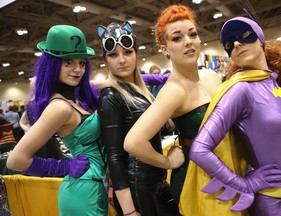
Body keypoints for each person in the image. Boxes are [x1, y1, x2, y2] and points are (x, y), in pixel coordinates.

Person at [187, 16, 281, 216]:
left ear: (260, 38)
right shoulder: (240, 90)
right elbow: (199, 149)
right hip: (273, 201)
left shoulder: (277, 85)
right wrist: (245, 183)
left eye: (244, 34)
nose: (236, 43)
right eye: (229, 43)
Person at [124, 4, 222, 207]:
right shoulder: (174, 91)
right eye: (177, 38)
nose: (188, 42)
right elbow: (133, 142)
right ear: (164, 48)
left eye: (192, 34)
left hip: (226, 166)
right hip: (197, 178)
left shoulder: (212, 76)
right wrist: (167, 162)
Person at [6, 25, 108, 215]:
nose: (78, 69)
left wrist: (159, 78)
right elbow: (15, 160)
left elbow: (111, 83)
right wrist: (64, 166)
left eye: (82, 63)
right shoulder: (59, 107)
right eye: (68, 62)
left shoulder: (74, 96)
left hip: (94, 187)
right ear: (53, 64)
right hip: (83, 194)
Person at [97, 21, 184, 216]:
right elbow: (115, 159)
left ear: (136, 54)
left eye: (127, 52)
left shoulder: (140, 92)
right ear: (106, 60)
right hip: (137, 188)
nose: (121, 60)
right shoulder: (111, 96)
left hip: (156, 182)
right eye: (113, 55)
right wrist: (128, 211)